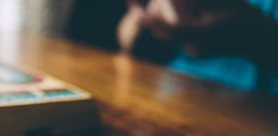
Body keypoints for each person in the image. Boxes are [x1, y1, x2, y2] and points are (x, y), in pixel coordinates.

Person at [117, 0, 278, 92]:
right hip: (176, 91)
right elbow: (126, 37)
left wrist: (258, 37)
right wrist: (142, 15)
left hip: (261, 111)